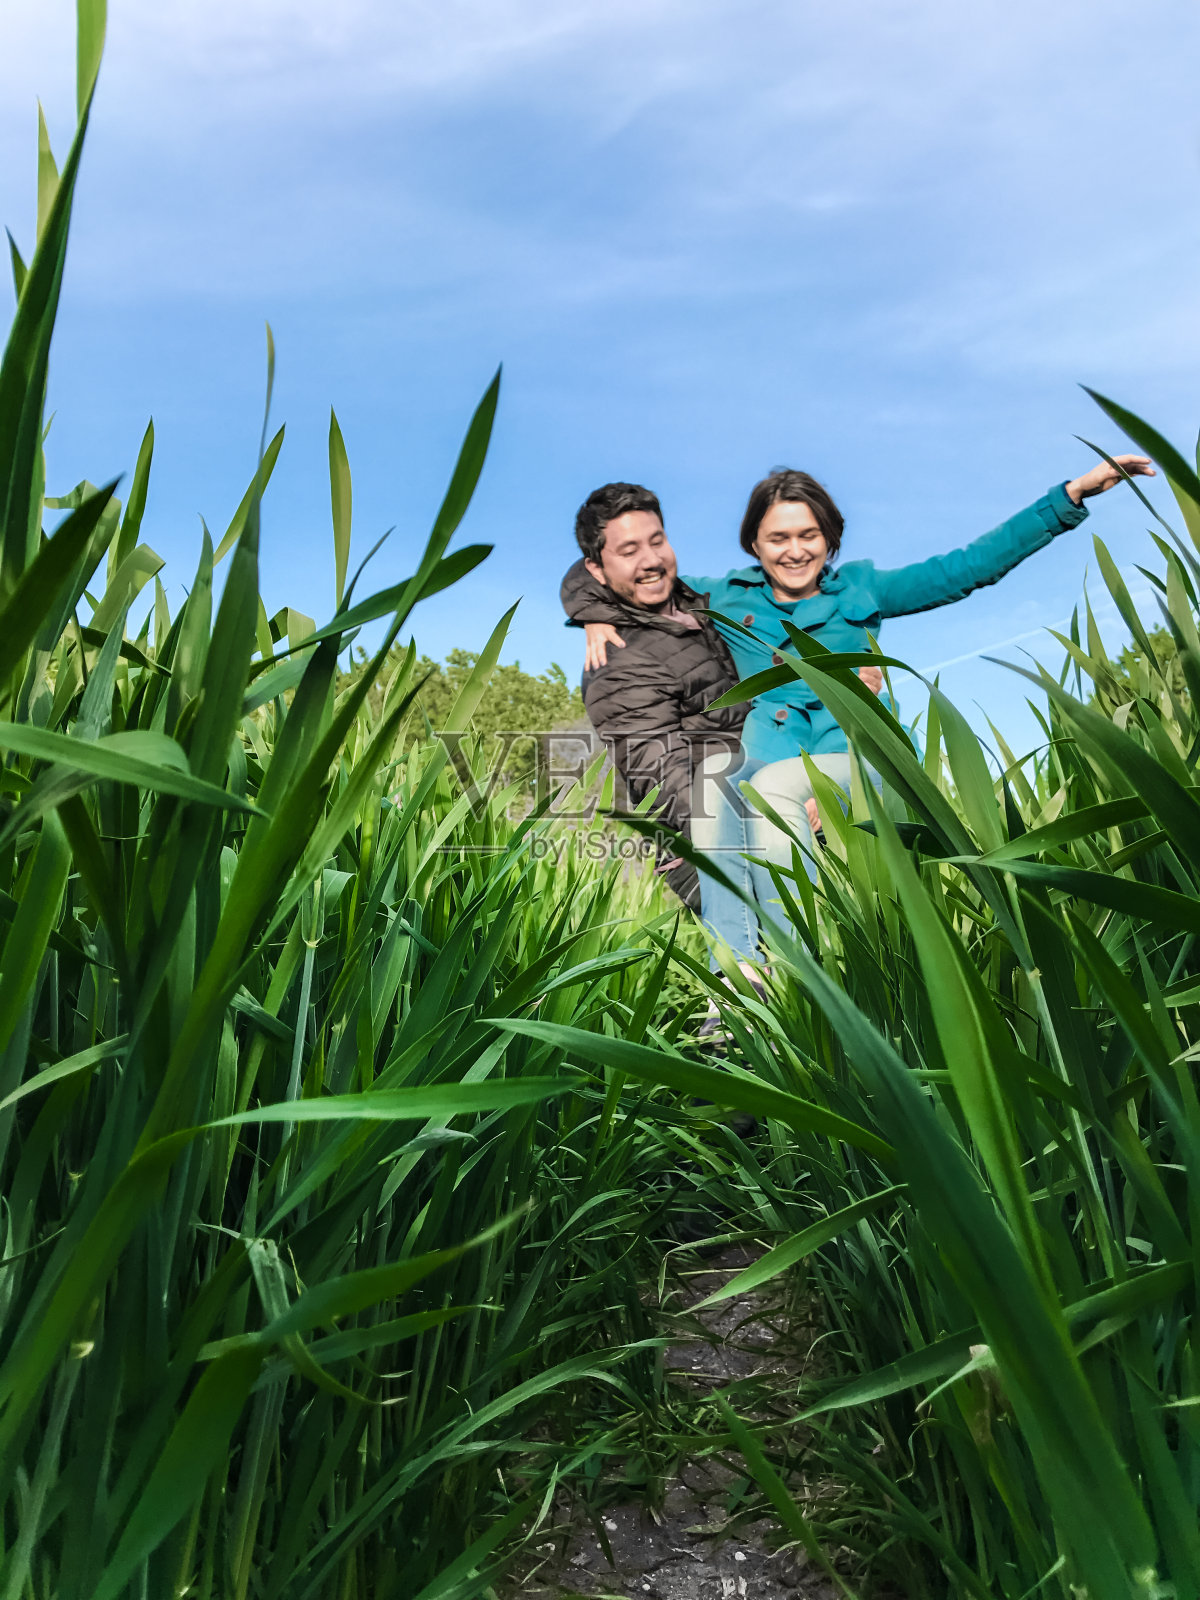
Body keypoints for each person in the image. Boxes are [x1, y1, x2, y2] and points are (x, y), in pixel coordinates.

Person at [567, 452, 1155, 913]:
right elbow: (638, 579)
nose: (795, 552)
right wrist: (591, 606)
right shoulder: (724, 598)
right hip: (764, 794)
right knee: (783, 942)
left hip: (856, 776)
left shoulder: (858, 590)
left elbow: (967, 567)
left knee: (876, 926)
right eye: (778, 538)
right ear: (753, 543)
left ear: (830, 537)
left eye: (809, 535)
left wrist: (1068, 497)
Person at [562, 482, 761, 968]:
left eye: (657, 540)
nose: (651, 559)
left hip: (768, 812)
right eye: (628, 550)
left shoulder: (697, 607)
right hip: (724, 850)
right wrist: (773, 830)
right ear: (597, 569)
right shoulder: (616, 660)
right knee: (754, 988)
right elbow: (665, 779)